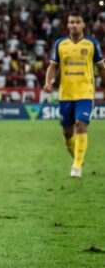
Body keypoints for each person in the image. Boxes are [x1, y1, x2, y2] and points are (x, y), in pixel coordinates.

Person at [44, 12, 105, 178]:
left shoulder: (92, 43)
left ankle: (77, 166)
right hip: (66, 94)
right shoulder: (60, 44)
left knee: (81, 124)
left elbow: (101, 67)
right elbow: (53, 66)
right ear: (68, 25)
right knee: (67, 133)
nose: (74, 25)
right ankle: (78, 157)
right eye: (71, 22)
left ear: (83, 24)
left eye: (78, 22)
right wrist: (48, 82)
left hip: (85, 92)